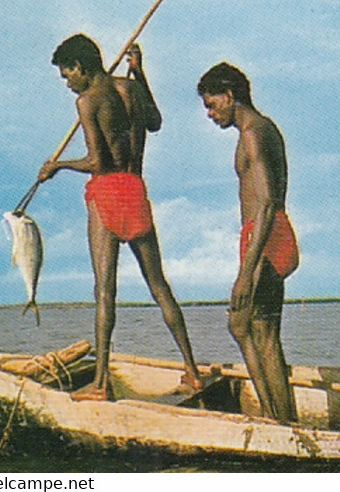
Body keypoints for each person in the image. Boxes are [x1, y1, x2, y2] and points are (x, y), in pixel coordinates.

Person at [36, 34, 201, 400]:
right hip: (136, 189)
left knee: (104, 291)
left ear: (80, 66)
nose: (68, 84)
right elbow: (155, 123)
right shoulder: (130, 88)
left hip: (108, 193)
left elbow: (99, 162)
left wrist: (58, 166)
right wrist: (140, 73)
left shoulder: (88, 101)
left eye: (67, 75)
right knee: (159, 286)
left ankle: (100, 384)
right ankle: (191, 370)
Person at [199, 62, 297, 423]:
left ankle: (284, 423)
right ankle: (274, 414)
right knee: (241, 326)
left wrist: (246, 271)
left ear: (229, 96)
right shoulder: (258, 130)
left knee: (265, 334)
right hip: (259, 235)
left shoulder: (255, 132)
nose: (211, 114)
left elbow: (268, 202)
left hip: (266, 236)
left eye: (212, 105)